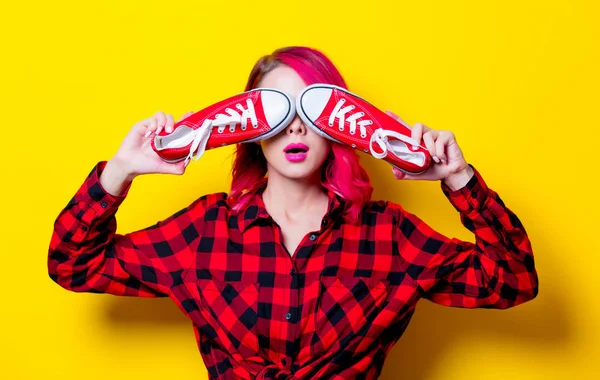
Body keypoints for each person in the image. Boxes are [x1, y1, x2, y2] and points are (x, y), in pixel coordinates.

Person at [48, 46, 538, 379]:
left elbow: (512, 281)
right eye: (277, 111)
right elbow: (73, 263)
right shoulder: (206, 231)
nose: (295, 129)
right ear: (249, 127)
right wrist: (121, 171)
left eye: (313, 110)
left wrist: (459, 179)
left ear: (342, 124)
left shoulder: (389, 235)